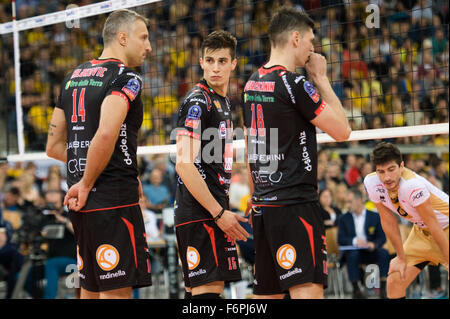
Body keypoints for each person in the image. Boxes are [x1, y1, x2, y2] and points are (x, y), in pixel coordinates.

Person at [242, 7, 351, 299]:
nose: (312, 48)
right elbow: (343, 131)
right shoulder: (295, 83)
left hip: (265, 207)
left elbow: (253, 148)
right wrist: (321, 78)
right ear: (294, 38)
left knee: (267, 296)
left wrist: (256, 196)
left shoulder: (251, 83)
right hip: (296, 205)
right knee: (307, 292)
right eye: (310, 40)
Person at [46, 9, 153, 299]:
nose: (149, 46)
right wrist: (90, 180)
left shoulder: (72, 77)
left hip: (81, 204)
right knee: (116, 294)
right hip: (112, 199)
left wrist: (86, 177)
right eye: (143, 37)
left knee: (90, 292)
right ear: (122, 37)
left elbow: (54, 147)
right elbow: (105, 133)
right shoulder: (126, 77)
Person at [174, 30, 249, 299]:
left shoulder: (223, 102)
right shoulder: (199, 100)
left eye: (222, 60)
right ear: (201, 62)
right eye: (210, 60)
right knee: (207, 295)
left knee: (199, 293)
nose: (215, 67)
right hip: (201, 213)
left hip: (210, 210)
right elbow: (184, 165)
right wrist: (219, 214)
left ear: (233, 64)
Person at [364, 142, 449, 299]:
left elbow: (434, 224)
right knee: (395, 280)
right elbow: (388, 220)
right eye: (380, 171)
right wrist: (400, 257)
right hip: (421, 233)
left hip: (445, 229)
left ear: (401, 166)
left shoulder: (412, 185)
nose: (387, 177)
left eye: (391, 169)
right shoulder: (371, 183)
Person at [337, 188, 389, 299]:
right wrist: (355, 241)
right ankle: (356, 290)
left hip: (370, 250)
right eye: (347, 202)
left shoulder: (374, 216)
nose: (348, 205)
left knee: (383, 252)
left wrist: (373, 244)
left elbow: (382, 238)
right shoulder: (343, 218)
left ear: (359, 200)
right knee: (352, 254)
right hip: (354, 251)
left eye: (350, 202)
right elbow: (340, 239)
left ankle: (383, 288)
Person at [41, 189, 77, 299]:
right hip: (50, 259)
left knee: (51, 264)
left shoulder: (69, 216)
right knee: (27, 273)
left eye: (55, 203)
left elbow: (78, 232)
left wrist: (62, 220)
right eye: (50, 204)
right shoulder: (45, 219)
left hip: (71, 261)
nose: (52, 206)